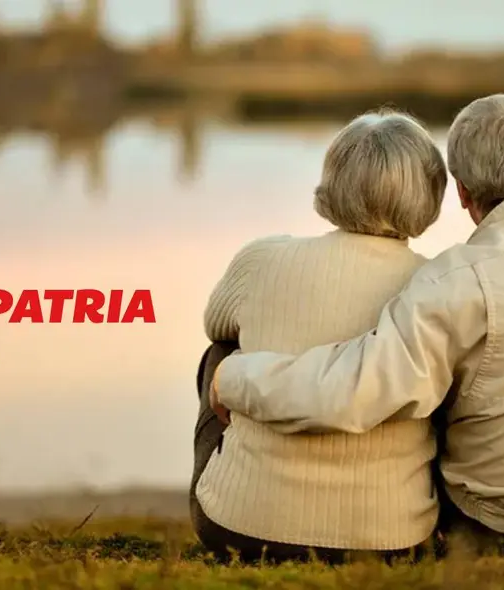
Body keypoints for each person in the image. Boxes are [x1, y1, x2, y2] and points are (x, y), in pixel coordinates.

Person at [210, 94, 504, 559]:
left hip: (503, 526)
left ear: (461, 192)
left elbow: (357, 389)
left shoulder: (457, 279)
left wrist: (233, 376)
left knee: (440, 373)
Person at [191, 110, 448, 563]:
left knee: (221, 353)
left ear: (332, 182)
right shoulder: (437, 285)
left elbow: (216, 324)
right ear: (430, 193)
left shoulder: (262, 259)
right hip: (392, 539)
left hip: (239, 528)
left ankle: (246, 481)